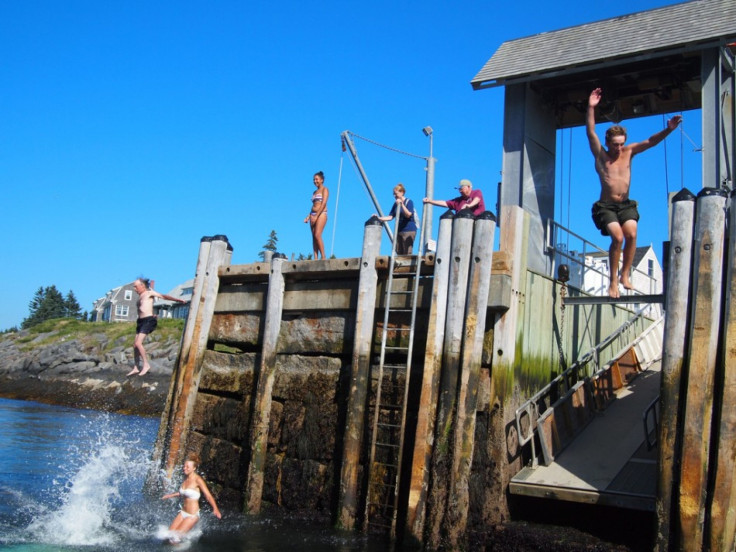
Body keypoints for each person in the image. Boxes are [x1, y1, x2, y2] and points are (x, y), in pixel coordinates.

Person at [586, 87, 682, 298]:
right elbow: (590, 132)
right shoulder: (601, 155)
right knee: (618, 238)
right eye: (615, 145)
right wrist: (591, 107)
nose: (619, 148)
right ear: (608, 142)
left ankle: (624, 275)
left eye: (621, 144)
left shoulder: (629, 152)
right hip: (606, 207)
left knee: (632, 233)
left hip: (625, 204)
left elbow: (650, 141)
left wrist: (669, 130)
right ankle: (612, 282)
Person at [126, 278, 185, 377]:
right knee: (135, 345)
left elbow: (163, 296)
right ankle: (136, 367)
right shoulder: (140, 297)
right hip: (140, 322)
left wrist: (177, 300)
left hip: (148, 320)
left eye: (136, 286)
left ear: (142, 286)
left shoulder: (149, 293)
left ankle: (146, 365)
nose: (134, 288)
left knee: (138, 343)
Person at [162, 452, 222, 543]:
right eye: (184, 466)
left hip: (192, 515)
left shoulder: (198, 480)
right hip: (182, 513)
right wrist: (170, 495)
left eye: (187, 467)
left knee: (174, 540)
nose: (184, 468)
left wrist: (215, 509)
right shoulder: (185, 478)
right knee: (168, 536)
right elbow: (183, 493)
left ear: (194, 468)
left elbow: (208, 496)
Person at [375, 183, 417, 254]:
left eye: (396, 194)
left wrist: (402, 205)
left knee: (407, 252)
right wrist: (378, 218)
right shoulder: (395, 204)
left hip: (408, 230)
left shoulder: (409, 202)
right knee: (399, 251)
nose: (394, 196)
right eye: (393, 194)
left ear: (402, 192)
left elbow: (409, 214)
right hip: (399, 231)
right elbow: (390, 217)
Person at [303, 171, 329, 260]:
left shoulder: (325, 190)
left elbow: (323, 203)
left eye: (317, 179)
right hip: (313, 214)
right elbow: (313, 206)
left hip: (321, 213)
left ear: (321, 180)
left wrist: (317, 216)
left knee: (318, 234)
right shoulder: (314, 192)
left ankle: (323, 256)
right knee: (313, 237)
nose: (315, 181)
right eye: (314, 179)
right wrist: (309, 216)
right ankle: (315, 257)